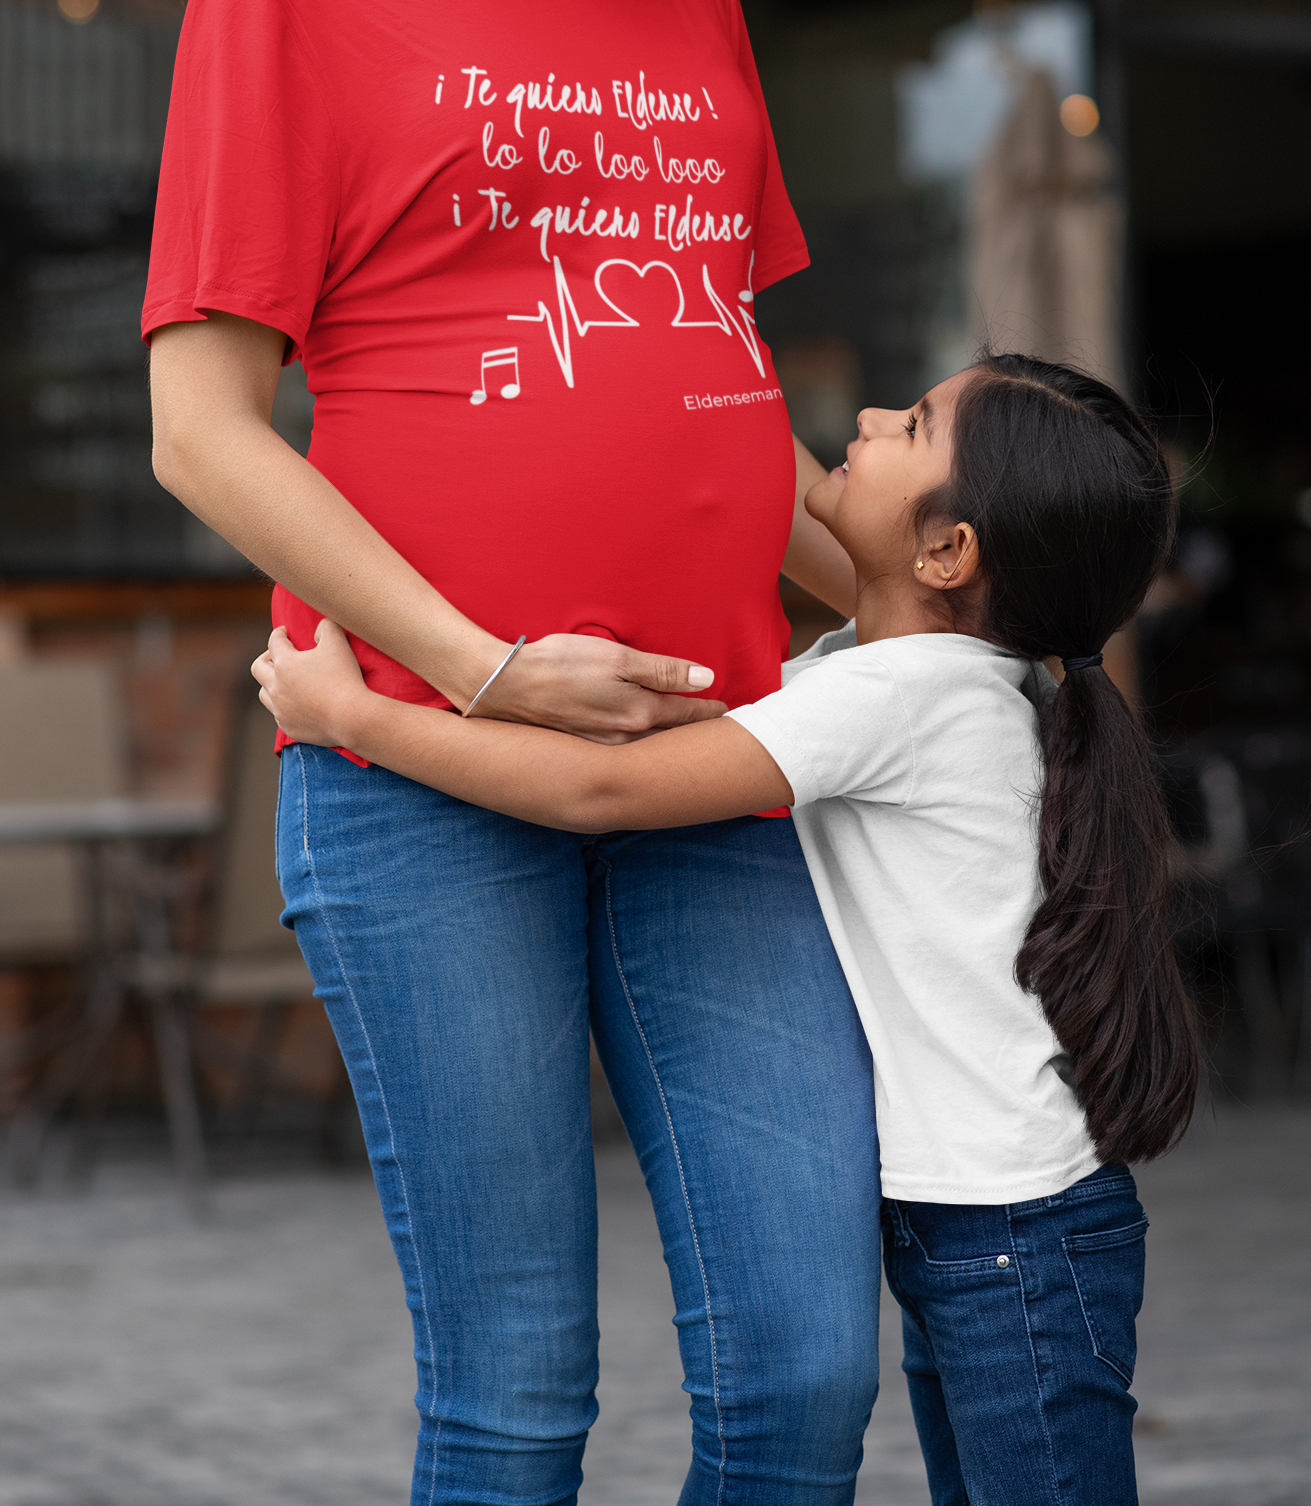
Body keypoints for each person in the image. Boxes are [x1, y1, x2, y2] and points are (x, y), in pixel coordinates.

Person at [144, 0, 882, 1506]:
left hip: (719, 755)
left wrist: (942, 614)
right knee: (513, 1395)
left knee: (813, 1365)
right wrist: (484, 671)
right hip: (416, 782)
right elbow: (201, 432)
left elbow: (725, 381)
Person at [254, 352, 1203, 1506]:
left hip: (1012, 1241)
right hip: (995, 1225)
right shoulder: (892, 678)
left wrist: (355, 716)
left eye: (909, 424)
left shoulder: (897, 700)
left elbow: (602, 795)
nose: (862, 417)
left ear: (947, 553)